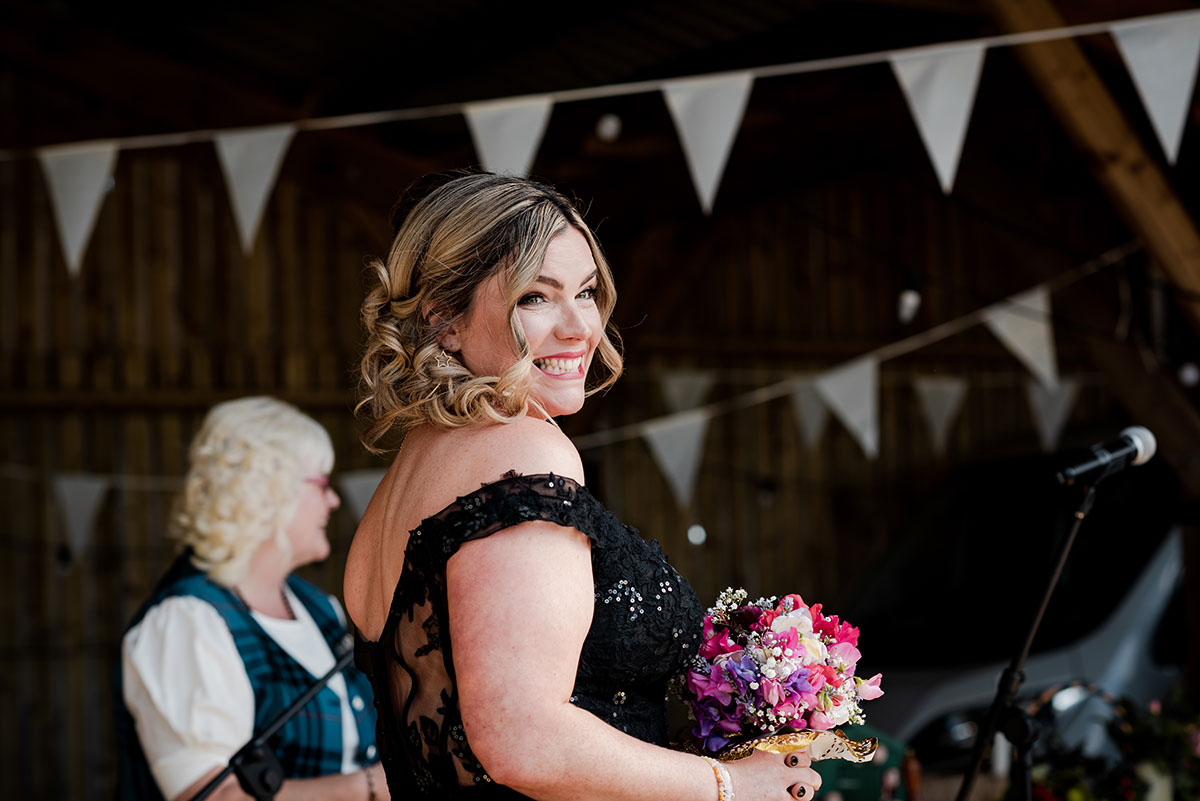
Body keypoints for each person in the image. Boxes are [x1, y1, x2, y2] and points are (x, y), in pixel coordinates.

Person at [345, 171, 823, 801]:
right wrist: (730, 784)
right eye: (535, 298)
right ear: (444, 323)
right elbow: (523, 737)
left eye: (588, 291)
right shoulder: (524, 450)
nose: (580, 327)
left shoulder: (401, 486)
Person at [117, 396, 388, 801]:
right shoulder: (186, 623)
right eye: (322, 484)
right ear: (267, 491)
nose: (333, 501)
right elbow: (218, 797)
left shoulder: (319, 607)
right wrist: (369, 787)